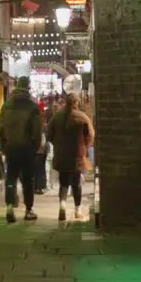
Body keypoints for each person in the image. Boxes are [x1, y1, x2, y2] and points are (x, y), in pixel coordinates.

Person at [0, 76, 42, 223]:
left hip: (11, 148)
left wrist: (4, 144)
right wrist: (34, 147)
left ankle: (9, 206)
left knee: (11, 178)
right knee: (28, 180)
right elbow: (36, 131)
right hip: (27, 149)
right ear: (28, 87)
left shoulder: (7, 105)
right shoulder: (32, 107)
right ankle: (28, 210)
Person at [47, 93, 95, 221]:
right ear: (77, 103)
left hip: (61, 155)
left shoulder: (56, 117)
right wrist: (84, 147)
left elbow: (49, 135)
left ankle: (62, 205)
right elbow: (90, 136)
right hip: (77, 156)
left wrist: (58, 145)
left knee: (63, 183)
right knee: (76, 183)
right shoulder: (82, 117)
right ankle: (77, 210)